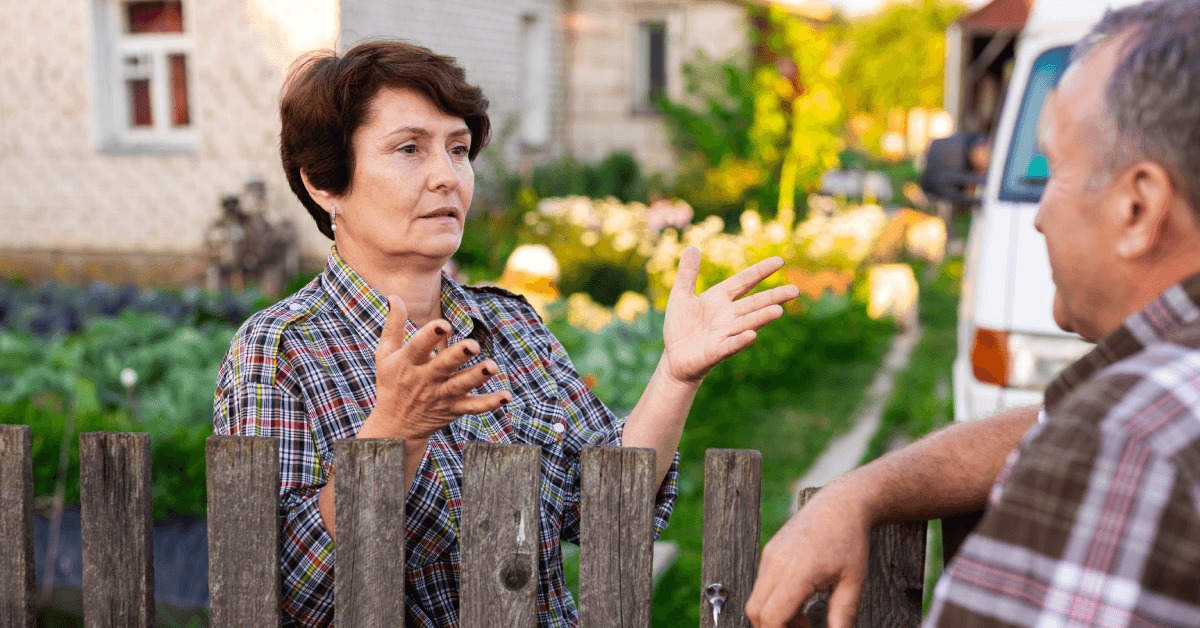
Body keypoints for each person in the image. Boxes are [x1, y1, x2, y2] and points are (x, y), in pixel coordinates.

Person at [212, 40, 800, 628]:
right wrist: (393, 435)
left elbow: (606, 513)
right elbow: (283, 593)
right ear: (323, 181)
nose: (448, 177)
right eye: (410, 149)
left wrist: (675, 374)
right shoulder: (280, 349)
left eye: (459, 149)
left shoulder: (511, 325)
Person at [747, 1, 1200, 626]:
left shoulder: (1126, 443)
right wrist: (860, 491)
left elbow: (1107, 430)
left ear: (1139, 208)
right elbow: (1049, 420)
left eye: (1053, 170)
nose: (1037, 215)